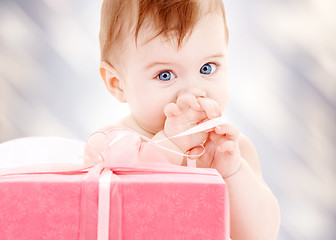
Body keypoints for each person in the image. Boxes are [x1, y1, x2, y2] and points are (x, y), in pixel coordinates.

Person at [86, 0, 281, 239]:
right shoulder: (109, 144)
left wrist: (232, 173)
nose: (193, 92)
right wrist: (171, 146)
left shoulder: (233, 150)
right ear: (117, 84)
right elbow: (121, 215)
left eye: (208, 68)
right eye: (165, 75)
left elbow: (260, 234)